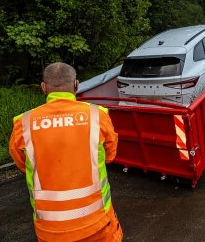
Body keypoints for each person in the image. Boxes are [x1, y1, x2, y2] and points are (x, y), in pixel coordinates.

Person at [9, 62, 122, 242]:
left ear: (43, 87)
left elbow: (23, 165)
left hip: (50, 230)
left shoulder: (23, 123)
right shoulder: (97, 115)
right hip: (97, 225)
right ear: (76, 84)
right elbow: (110, 155)